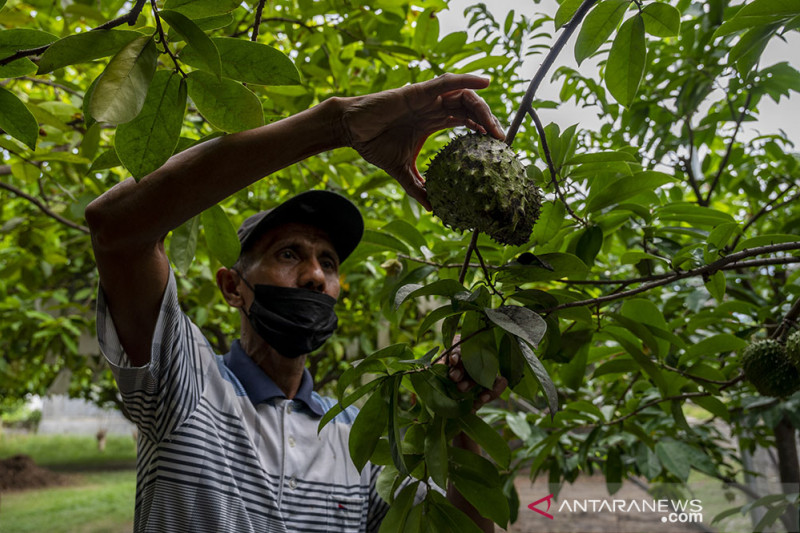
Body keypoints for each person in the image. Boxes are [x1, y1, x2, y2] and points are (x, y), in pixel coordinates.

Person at [86, 73, 507, 533]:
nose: (314, 276)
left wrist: (461, 410)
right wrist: (337, 126)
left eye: (328, 263)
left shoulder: (358, 432)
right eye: (289, 254)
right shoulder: (186, 387)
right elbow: (116, 227)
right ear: (232, 287)